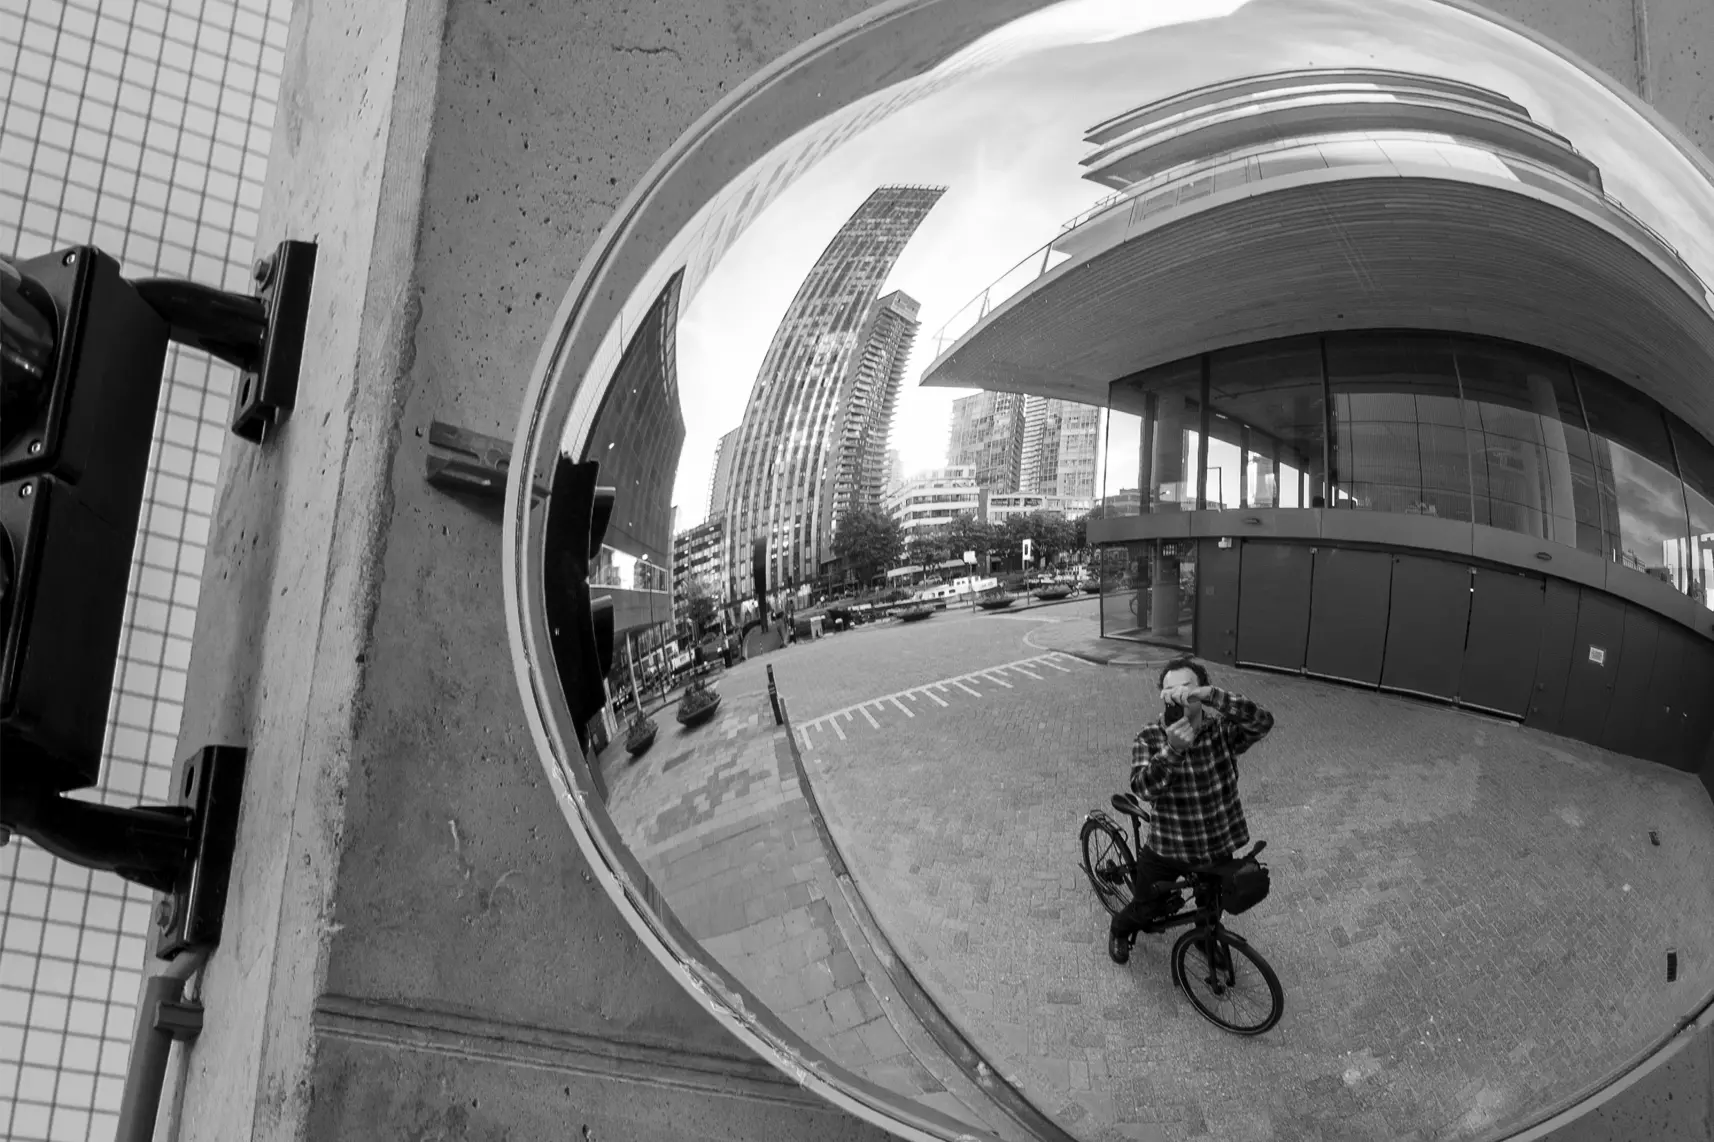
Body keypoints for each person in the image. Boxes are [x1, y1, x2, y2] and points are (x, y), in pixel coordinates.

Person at [1108, 655, 1275, 964]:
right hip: (1168, 847)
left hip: (1214, 844)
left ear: (1202, 691)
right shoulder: (1149, 736)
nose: (1180, 695)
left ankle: (1206, 939)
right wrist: (1173, 751)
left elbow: (1262, 723)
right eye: (1170, 690)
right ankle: (1118, 930)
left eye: (1188, 688)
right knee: (1146, 909)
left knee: (1211, 903)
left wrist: (1215, 696)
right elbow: (1143, 788)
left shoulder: (1221, 732)